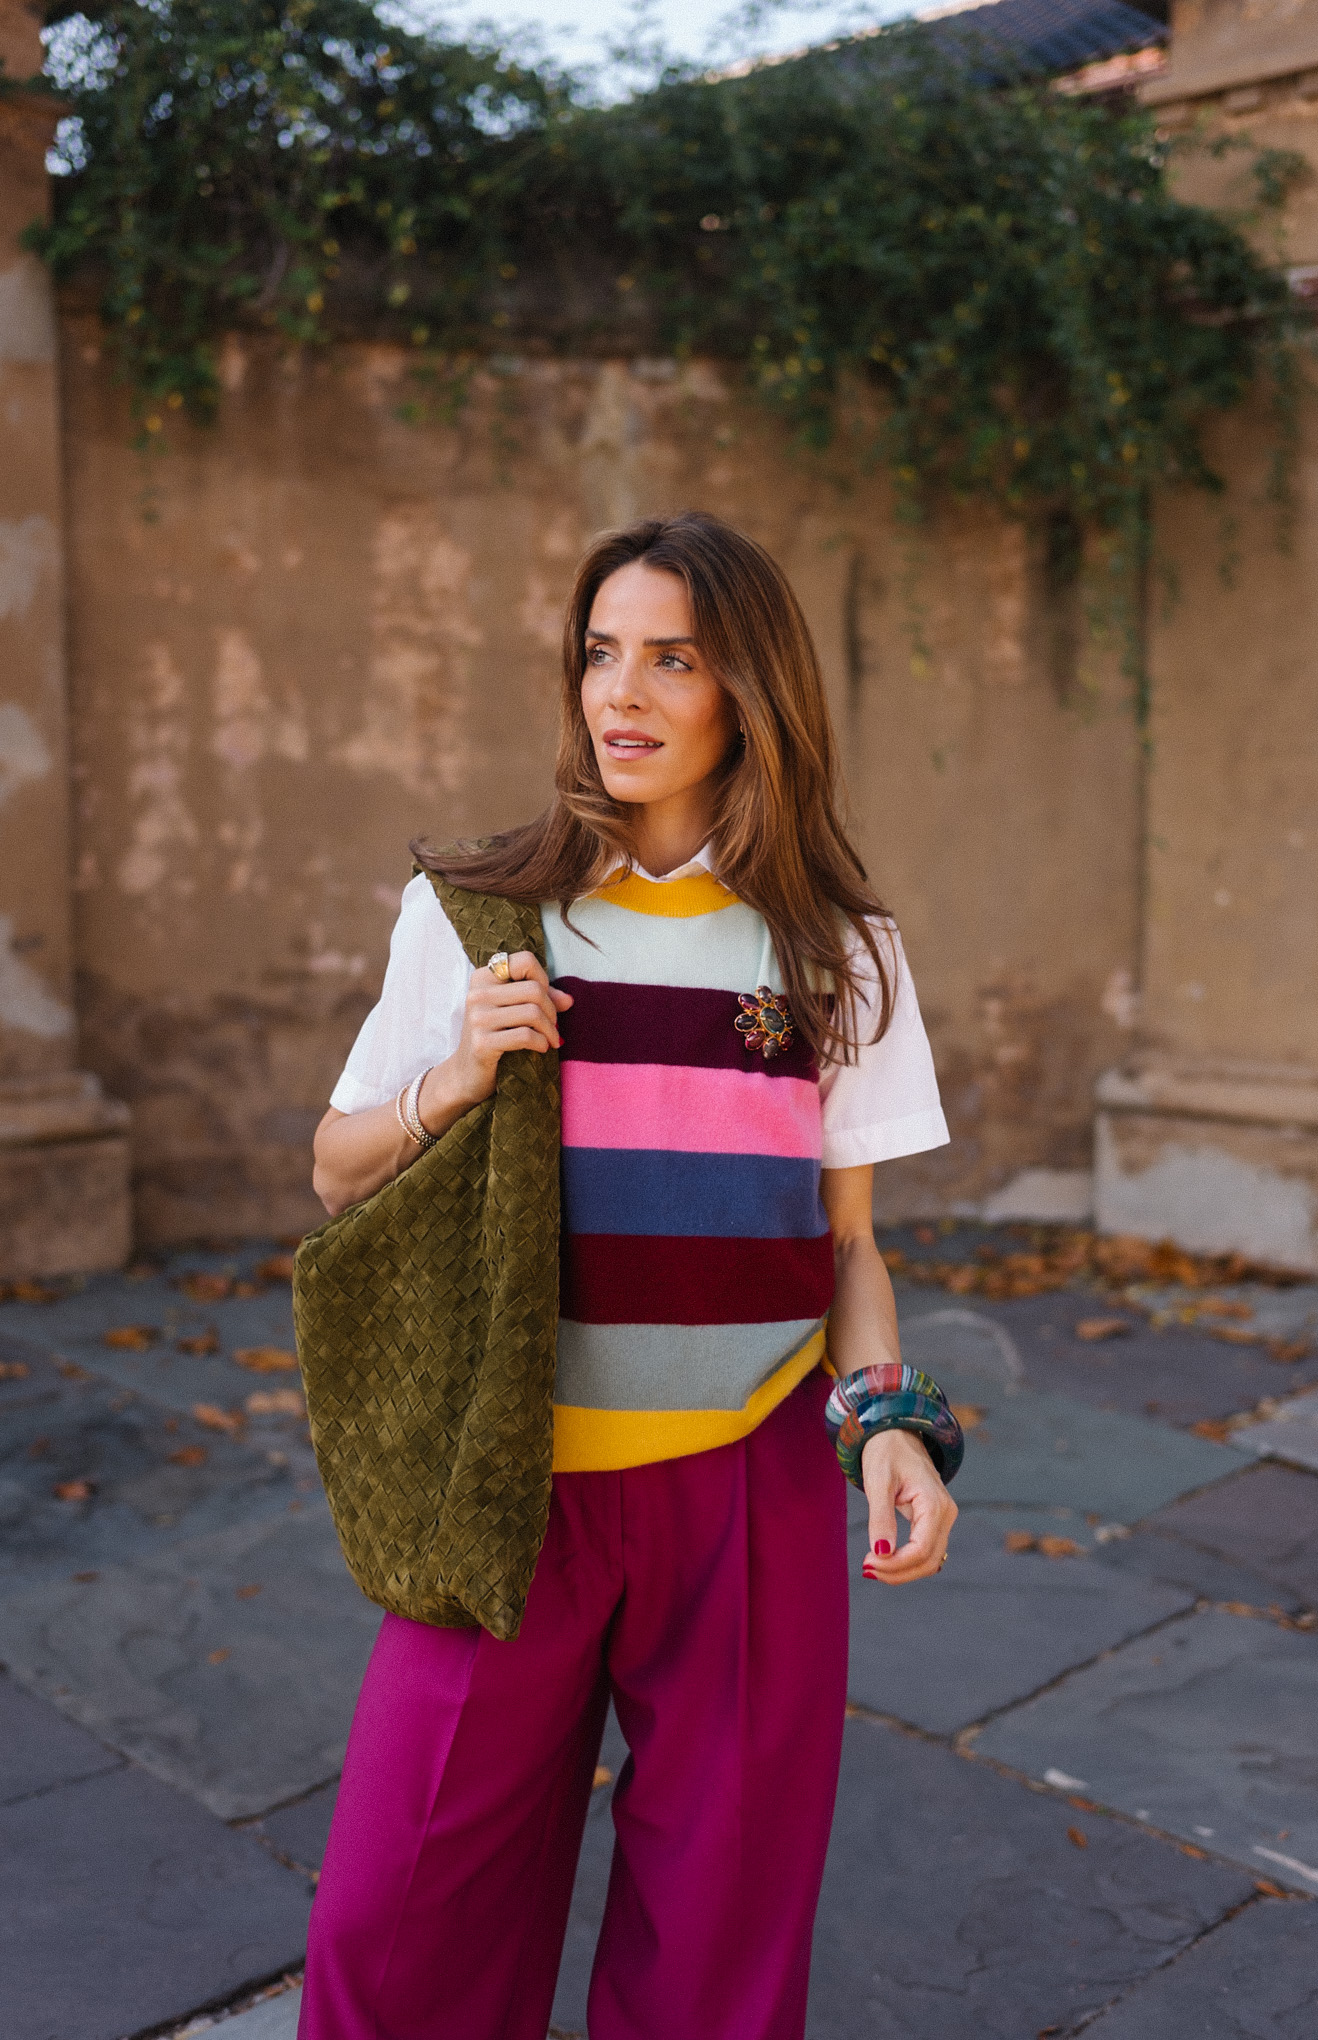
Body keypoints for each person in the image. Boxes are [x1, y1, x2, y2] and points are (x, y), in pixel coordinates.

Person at [300, 511, 955, 2040]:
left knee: (718, 1953)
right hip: (507, 1487)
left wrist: (891, 1421)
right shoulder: (475, 913)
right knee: (393, 1932)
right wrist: (454, 1076)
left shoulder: (838, 952)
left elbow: (847, 1242)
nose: (625, 691)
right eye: (602, 652)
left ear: (751, 692)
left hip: (746, 1498)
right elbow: (332, 1171)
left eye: (674, 656)